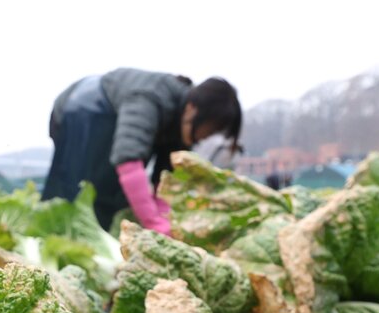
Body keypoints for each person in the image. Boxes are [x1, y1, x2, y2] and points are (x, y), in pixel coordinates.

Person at [42, 69, 242, 233]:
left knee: (116, 202)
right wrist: (152, 221)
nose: (204, 137)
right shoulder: (150, 96)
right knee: (80, 194)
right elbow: (128, 161)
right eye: (208, 128)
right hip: (83, 108)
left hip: (103, 120)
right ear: (192, 109)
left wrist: (165, 223)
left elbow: (165, 184)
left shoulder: (180, 128)